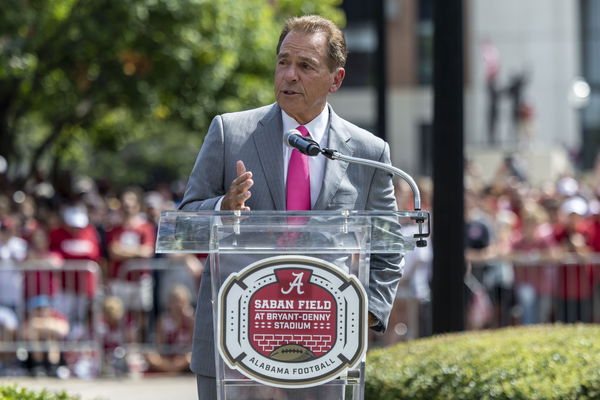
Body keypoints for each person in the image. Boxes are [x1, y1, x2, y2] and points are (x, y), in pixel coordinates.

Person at [179, 15, 402, 399]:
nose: (290, 75)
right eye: (283, 62)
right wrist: (222, 208)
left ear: (336, 79)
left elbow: (389, 249)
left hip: (327, 350)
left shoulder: (368, 154)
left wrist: (360, 316)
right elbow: (184, 225)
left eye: (305, 65)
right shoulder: (230, 133)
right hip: (237, 346)